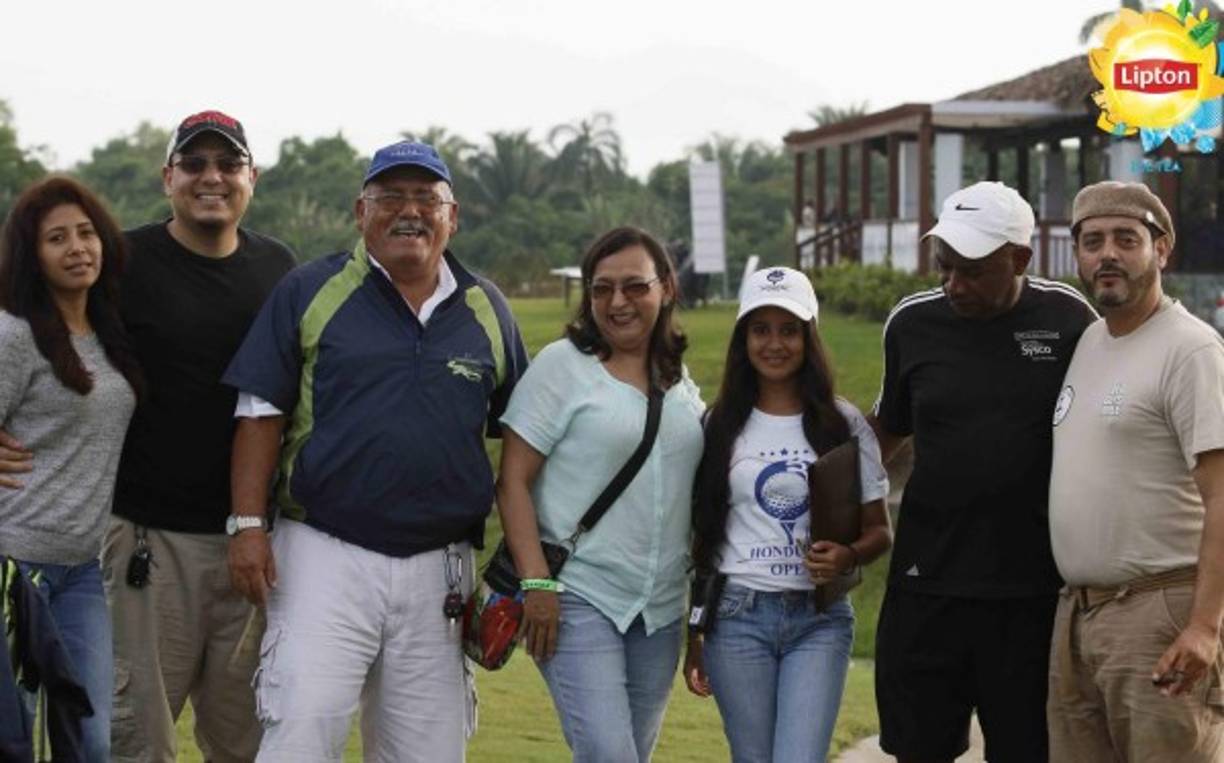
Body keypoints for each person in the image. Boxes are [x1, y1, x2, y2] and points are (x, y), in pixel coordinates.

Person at [0, 110, 297, 762]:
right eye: (194, 163)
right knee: (136, 742)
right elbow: (24, 321)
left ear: (252, 176)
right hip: (145, 547)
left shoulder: (279, 268)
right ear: (169, 177)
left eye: (227, 163)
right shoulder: (121, 263)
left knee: (246, 739)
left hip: (252, 548)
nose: (211, 177)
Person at [221, 140, 528, 761]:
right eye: (390, 197)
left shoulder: (486, 307)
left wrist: (523, 567)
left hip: (440, 568)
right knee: (301, 734)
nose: (408, 211)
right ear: (361, 211)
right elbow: (259, 414)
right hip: (323, 552)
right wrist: (248, 525)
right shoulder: (312, 289)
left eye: (426, 198)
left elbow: (523, 442)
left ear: (453, 215)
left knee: (426, 752)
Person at [868, 181, 1097, 763]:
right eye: (944, 267)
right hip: (926, 585)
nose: (953, 285)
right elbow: (884, 435)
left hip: (1033, 593)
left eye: (972, 271)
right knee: (919, 750)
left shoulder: (1071, 321)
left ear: (1020, 259)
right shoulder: (912, 324)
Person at [495, 226, 705, 762]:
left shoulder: (678, 381)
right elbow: (512, 480)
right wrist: (537, 582)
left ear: (667, 288)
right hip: (576, 597)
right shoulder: (562, 366)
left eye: (634, 286)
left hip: (657, 609)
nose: (617, 302)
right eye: (601, 288)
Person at [683, 266, 892, 762]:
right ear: (744, 339)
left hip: (819, 621)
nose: (774, 344)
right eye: (761, 330)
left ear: (809, 337)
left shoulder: (842, 423)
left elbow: (880, 530)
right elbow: (703, 536)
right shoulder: (718, 424)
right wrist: (696, 632)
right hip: (737, 618)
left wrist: (846, 555)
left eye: (789, 330)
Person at [1047, 181, 1224, 761]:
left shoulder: (1190, 350)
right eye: (1092, 241)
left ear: (1162, 249)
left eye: (1127, 239)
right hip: (1079, 615)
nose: (1108, 255)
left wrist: (1204, 626)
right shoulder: (1090, 342)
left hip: (1160, 613)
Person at [0, 176, 142, 761]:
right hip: (12, 567)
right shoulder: (14, 334)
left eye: (86, 233)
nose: (77, 247)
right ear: (33, 256)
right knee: (12, 740)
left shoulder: (108, 330)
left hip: (81, 570)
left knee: (89, 741)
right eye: (57, 238)